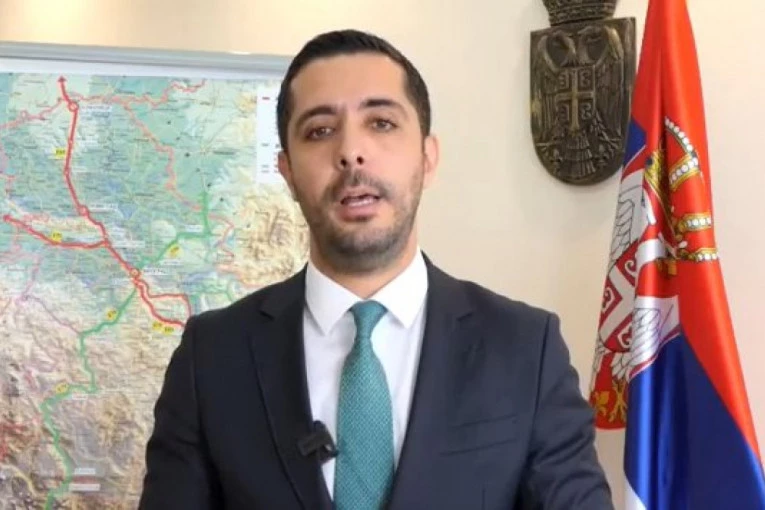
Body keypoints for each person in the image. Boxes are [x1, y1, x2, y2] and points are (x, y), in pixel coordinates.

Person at [138, 29, 613, 510]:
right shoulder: (211, 357)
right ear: (288, 173)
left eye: (381, 123)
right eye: (319, 130)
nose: (351, 152)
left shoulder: (525, 348)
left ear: (427, 158)